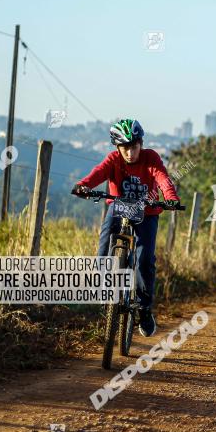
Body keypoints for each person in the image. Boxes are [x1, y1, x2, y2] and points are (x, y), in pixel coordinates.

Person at [72, 119, 180, 337]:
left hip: (147, 213)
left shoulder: (151, 158)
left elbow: (162, 178)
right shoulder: (113, 159)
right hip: (118, 207)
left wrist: (170, 198)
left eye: (134, 146)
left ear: (140, 143)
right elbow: (98, 172)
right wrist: (84, 185)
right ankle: (104, 287)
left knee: (144, 260)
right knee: (103, 246)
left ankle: (144, 308)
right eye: (125, 148)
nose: (130, 153)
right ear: (117, 148)